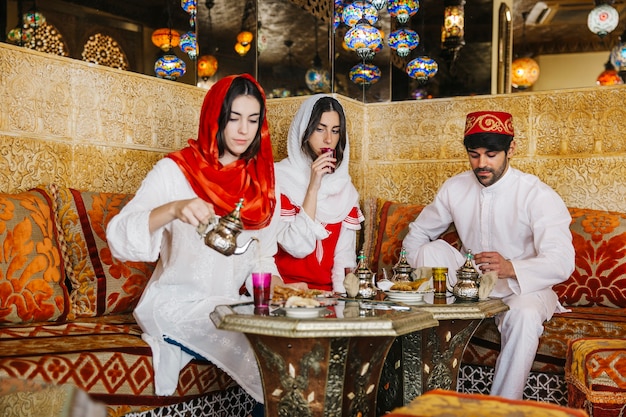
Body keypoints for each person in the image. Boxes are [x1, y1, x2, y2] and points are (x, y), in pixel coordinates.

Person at [106, 74, 282, 408]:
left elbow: (262, 260)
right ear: (214, 118)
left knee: (291, 343)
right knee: (268, 356)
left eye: (253, 120)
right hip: (175, 305)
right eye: (233, 119)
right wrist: (173, 208)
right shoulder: (175, 172)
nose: (244, 130)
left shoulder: (262, 186)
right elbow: (119, 235)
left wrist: (280, 296)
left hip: (229, 307)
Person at [402, 110, 575, 400]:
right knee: (430, 249)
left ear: (511, 150)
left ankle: (501, 406)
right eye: (474, 155)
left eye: (491, 154)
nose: (482, 164)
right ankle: (428, 391)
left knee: (524, 313)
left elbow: (562, 260)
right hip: (468, 286)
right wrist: (407, 278)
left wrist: (511, 267)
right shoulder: (454, 188)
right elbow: (417, 234)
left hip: (522, 289)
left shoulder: (536, 194)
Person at [274, 94, 363, 294]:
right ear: (304, 130)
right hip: (285, 291)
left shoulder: (346, 189)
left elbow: (343, 257)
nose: (328, 140)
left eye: (335, 131)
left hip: (327, 295)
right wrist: (313, 187)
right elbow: (297, 246)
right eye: (320, 129)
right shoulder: (279, 179)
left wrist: (342, 304)